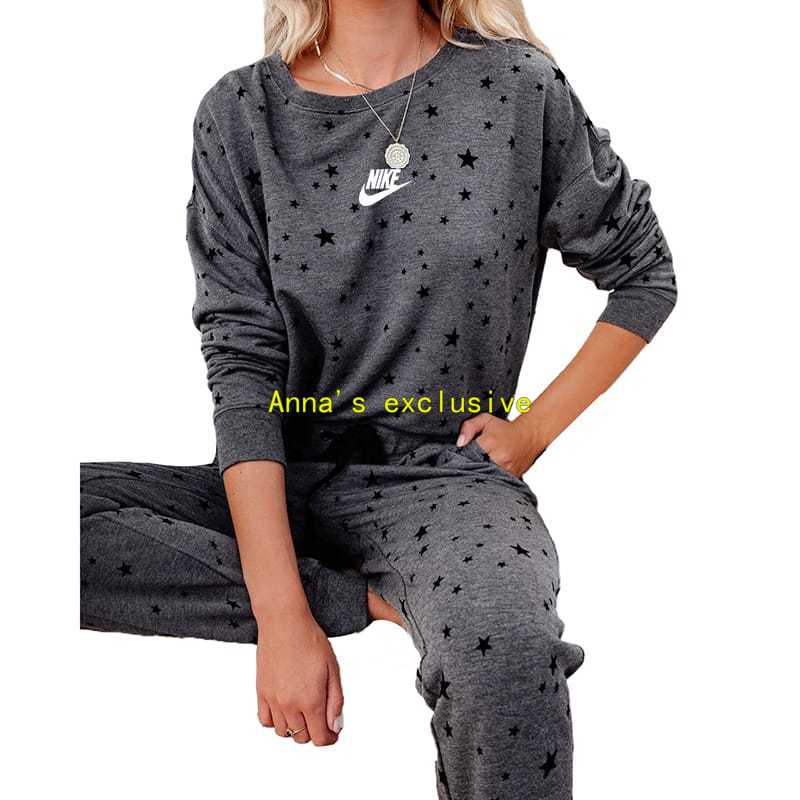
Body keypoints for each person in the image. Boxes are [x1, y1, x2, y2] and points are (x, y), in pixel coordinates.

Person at [80, 2, 677, 797]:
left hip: (443, 479)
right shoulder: (240, 113)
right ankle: (365, 596)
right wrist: (287, 613)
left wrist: (533, 430)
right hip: (280, 472)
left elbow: (644, 273)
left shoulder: (517, 87)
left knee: (508, 648)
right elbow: (242, 365)